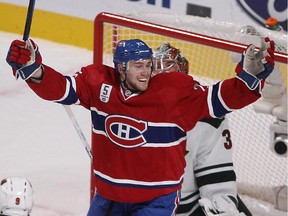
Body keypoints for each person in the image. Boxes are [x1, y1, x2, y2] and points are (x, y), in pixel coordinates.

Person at [6, 36, 274, 215]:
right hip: (108, 198)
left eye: (148, 65)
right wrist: (34, 69)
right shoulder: (99, 83)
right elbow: (61, 89)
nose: (146, 72)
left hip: (154, 203)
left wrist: (249, 77)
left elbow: (220, 98)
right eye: (138, 66)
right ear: (120, 68)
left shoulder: (174, 93)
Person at [153, 42, 252, 216]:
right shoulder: (129, 109)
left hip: (189, 208)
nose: (162, 80)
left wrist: (222, 207)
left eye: (168, 72)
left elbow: (216, 179)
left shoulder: (207, 116)